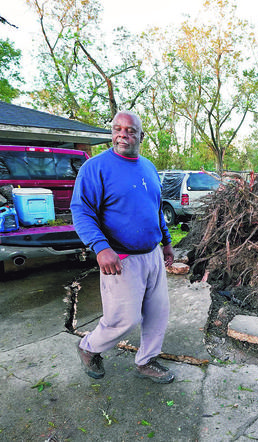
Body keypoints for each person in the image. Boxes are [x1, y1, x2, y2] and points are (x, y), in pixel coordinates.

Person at [70, 110, 175, 383]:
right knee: (124, 319)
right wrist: (100, 247)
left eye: (130, 130)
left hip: (152, 255)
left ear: (141, 135)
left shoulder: (149, 167)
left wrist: (166, 241)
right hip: (121, 258)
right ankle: (88, 347)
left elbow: (156, 209)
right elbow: (81, 211)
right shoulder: (95, 168)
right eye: (117, 129)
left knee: (157, 313)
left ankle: (147, 360)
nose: (122, 135)